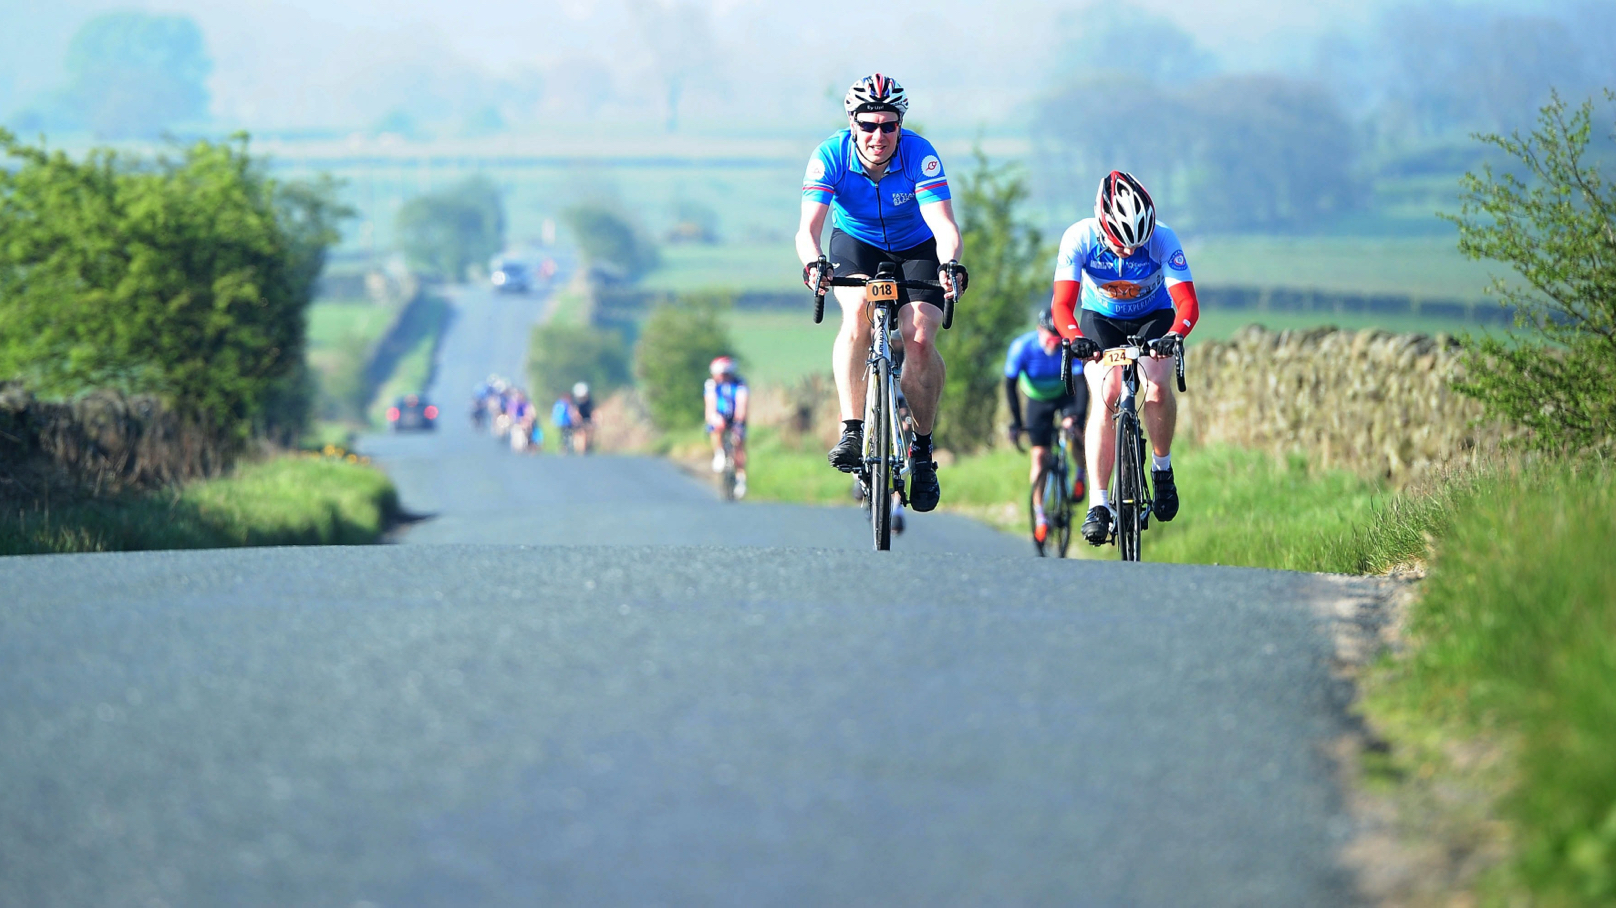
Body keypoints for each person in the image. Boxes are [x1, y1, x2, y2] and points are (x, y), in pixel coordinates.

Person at [796, 73, 967, 513]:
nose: (878, 135)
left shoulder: (919, 154)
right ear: (852, 122)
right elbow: (808, 229)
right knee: (856, 314)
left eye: (888, 125)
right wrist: (813, 262)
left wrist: (949, 265)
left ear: (900, 124)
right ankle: (853, 429)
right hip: (856, 243)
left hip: (915, 245)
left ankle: (923, 452)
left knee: (921, 335)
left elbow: (944, 226)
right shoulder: (830, 154)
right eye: (868, 125)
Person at [1049, 170, 1201, 546]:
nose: (1130, 252)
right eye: (1121, 244)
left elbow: (1187, 303)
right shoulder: (1079, 237)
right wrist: (1075, 338)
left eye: (1138, 243)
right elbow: (1062, 305)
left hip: (1154, 316)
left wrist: (1174, 336)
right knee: (1107, 393)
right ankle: (1099, 504)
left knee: (1156, 388)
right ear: (1102, 224)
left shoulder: (1163, 238)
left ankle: (1162, 469)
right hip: (1101, 320)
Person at [1005, 306, 1089, 544]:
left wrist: (1077, 417)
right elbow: (1009, 386)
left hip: (1066, 393)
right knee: (1039, 456)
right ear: (1039, 331)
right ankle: (1040, 514)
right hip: (1038, 399)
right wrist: (1017, 423)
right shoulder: (1022, 347)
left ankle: (1081, 473)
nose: (1053, 344)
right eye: (1050, 339)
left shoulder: (1067, 347)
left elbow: (1081, 384)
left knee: (1075, 433)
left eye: (1057, 339)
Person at [703, 356, 750, 498]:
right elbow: (710, 405)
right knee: (715, 428)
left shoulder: (739, 384)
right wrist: (714, 417)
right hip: (719, 415)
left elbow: (742, 404)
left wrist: (738, 422)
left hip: (736, 417)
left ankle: (741, 479)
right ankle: (719, 453)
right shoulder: (711, 385)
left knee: (739, 443)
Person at [570, 382, 594, 454]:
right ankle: (579, 447)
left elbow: (593, 411)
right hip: (578, 420)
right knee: (580, 432)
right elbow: (575, 412)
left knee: (589, 430)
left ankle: (587, 446)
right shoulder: (575, 402)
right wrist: (576, 418)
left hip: (587, 418)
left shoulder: (589, 402)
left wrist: (595, 418)